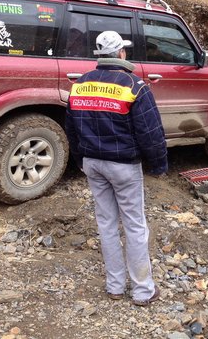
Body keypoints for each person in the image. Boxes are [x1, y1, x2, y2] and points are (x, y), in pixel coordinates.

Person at [65, 30, 168, 306]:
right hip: (123, 166)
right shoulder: (135, 86)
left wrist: (80, 161)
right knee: (134, 226)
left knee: (106, 223)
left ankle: (114, 286)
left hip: (93, 164)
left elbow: (71, 130)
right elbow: (151, 132)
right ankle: (143, 290)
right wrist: (158, 165)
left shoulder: (80, 84)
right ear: (121, 53)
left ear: (99, 55)